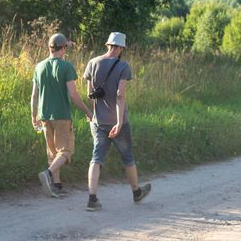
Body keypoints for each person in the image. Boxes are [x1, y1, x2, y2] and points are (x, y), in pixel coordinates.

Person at [83, 32, 151, 211]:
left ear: (108, 44)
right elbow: (120, 96)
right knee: (128, 157)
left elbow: (90, 95)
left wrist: (96, 113)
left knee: (96, 159)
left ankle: (92, 199)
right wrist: (119, 123)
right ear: (120, 47)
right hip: (117, 122)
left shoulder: (92, 63)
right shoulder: (123, 66)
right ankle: (136, 193)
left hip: (98, 121)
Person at [31, 33, 93, 198]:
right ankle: (48, 174)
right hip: (62, 115)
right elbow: (73, 95)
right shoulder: (66, 67)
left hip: (44, 115)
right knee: (66, 151)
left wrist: (33, 116)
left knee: (53, 152)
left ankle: (56, 186)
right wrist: (88, 111)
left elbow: (34, 95)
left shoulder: (39, 67)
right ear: (63, 48)